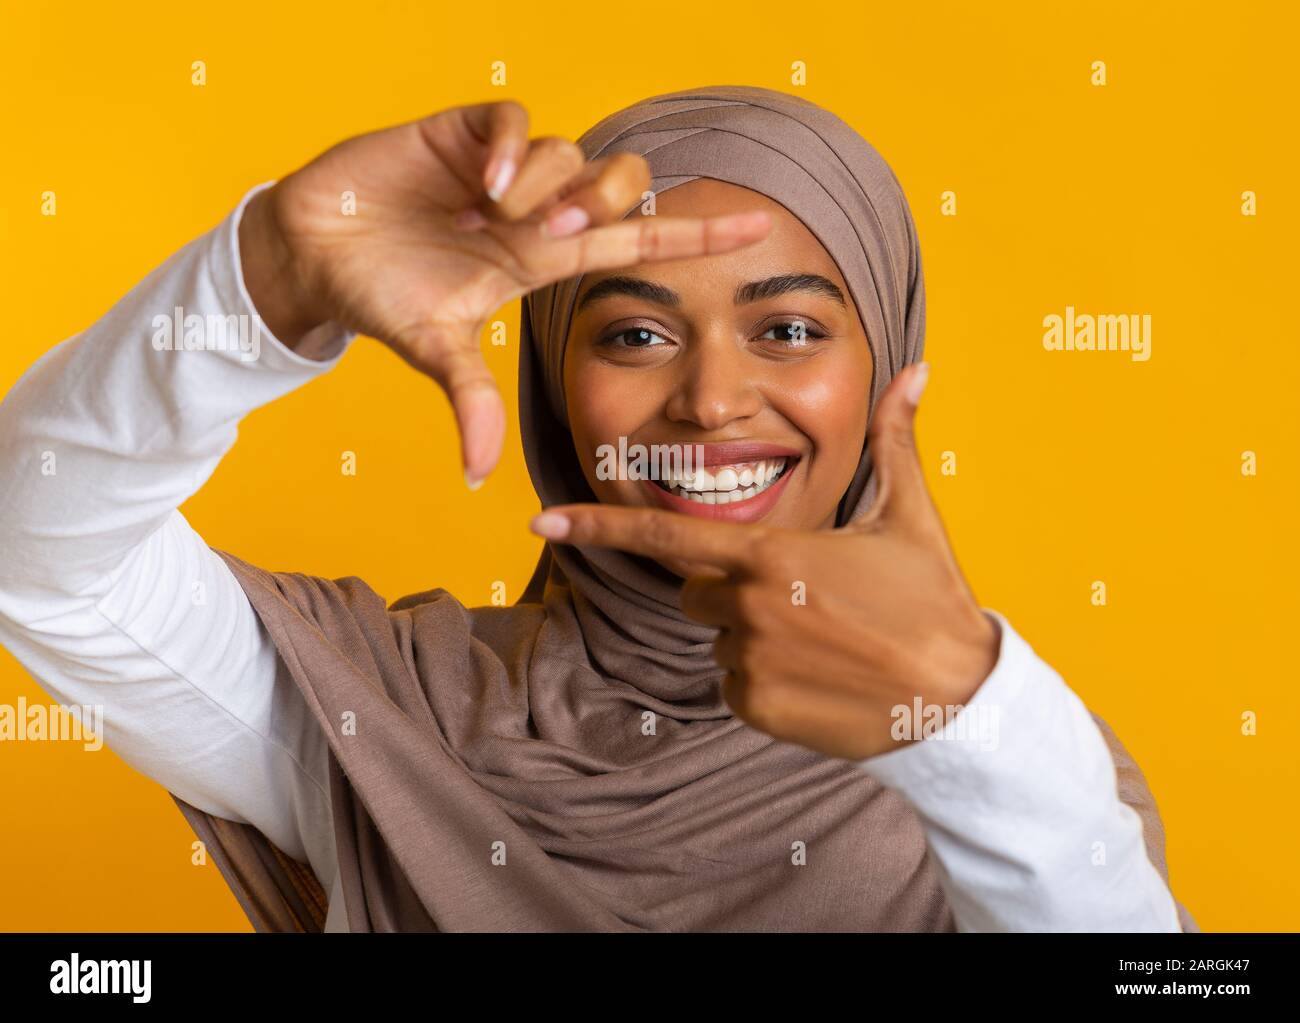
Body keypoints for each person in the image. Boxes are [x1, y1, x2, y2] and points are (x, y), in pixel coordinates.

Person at [0, 85, 1196, 932]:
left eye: (787, 329)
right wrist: (264, 276)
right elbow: (34, 551)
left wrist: (965, 723)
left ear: (887, 362)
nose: (713, 400)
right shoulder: (387, 717)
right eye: (633, 334)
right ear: (553, 383)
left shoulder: (1012, 743)